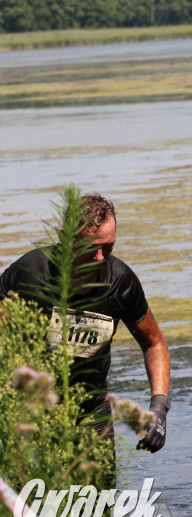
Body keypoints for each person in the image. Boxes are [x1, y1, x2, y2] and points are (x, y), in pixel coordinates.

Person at [0, 193, 171, 453]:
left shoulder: (121, 283)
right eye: (91, 248)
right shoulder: (30, 274)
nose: (101, 258)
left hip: (92, 413)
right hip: (31, 415)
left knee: (98, 495)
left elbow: (154, 342)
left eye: (109, 246)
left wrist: (159, 409)